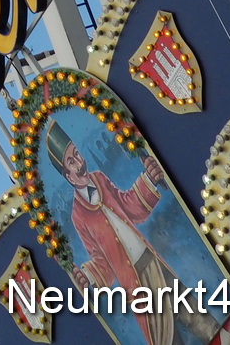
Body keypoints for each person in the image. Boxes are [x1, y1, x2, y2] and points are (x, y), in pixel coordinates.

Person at [46, 120, 215, 345]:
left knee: (201, 320)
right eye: (71, 161)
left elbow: (128, 207)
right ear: (68, 175)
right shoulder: (78, 216)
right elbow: (102, 262)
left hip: (153, 263)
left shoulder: (99, 178)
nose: (79, 161)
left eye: (77, 154)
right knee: (167, 340)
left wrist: (148, 179)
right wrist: (87, 277)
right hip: (135, 284)